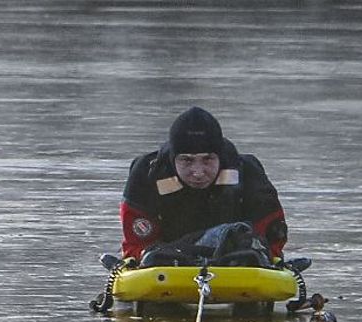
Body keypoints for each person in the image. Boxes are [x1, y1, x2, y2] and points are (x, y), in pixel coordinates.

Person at [116, 106, 288, 268]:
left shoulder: (247, 171)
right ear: (173, 159)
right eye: (187, 160)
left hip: (236, 254)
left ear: (220, 157)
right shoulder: (147, 174)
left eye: (208, 160)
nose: (198, 172)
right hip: (166, 257)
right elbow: (136, 244)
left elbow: (272, 237)